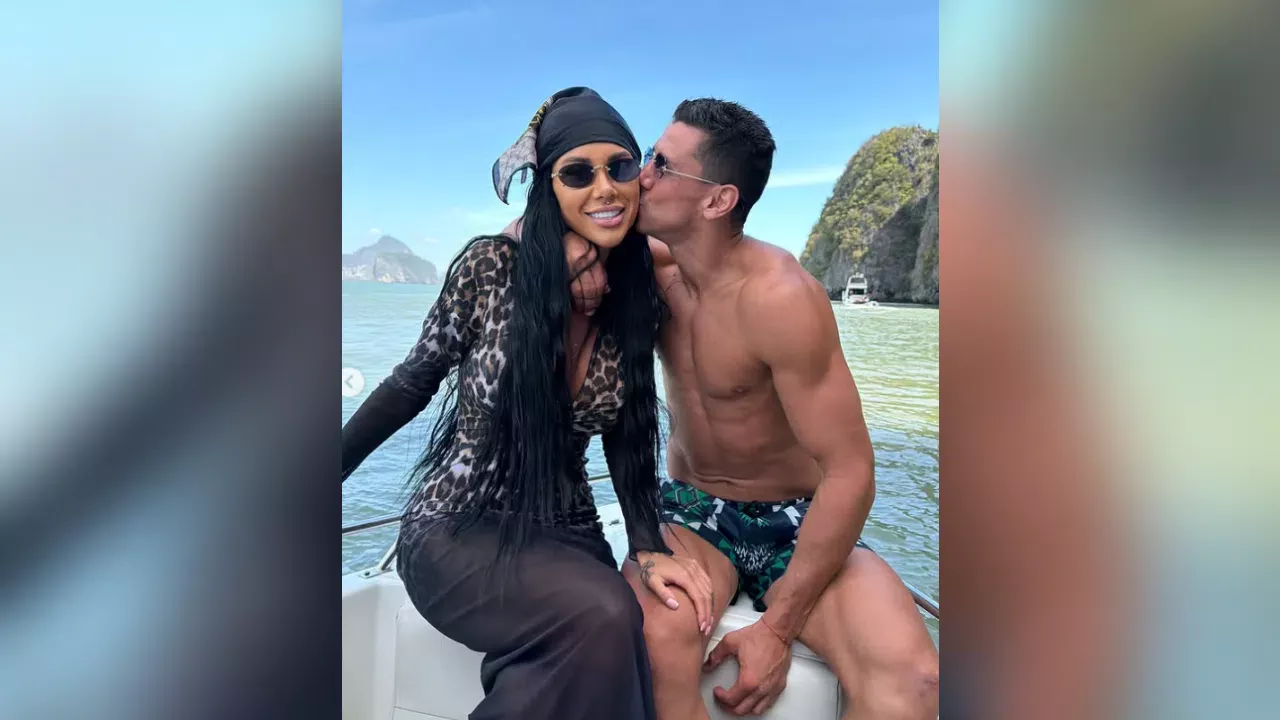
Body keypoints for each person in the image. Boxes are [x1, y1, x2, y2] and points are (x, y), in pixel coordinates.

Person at [340, 87, 713, 720]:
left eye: (620, 166)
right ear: (549, 187)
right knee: (601, 615)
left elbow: (629, 432)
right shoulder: (491, 269)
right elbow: (410, 383)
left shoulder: (636, 291)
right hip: (460, 524)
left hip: (569, 530)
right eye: (578, 173)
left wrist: (646, 543)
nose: (604, 188)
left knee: (614, 628)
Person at [626, 98, 940, 720]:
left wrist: (777, 627)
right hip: (694, 510)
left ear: (717, 200)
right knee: (651, 641)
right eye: (647, 156)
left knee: (917, 680)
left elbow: (850, 472)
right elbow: (540, 236)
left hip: (797, 518)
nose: (642, 176)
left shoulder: (781, 299)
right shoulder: (644, 270)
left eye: (661, 164)